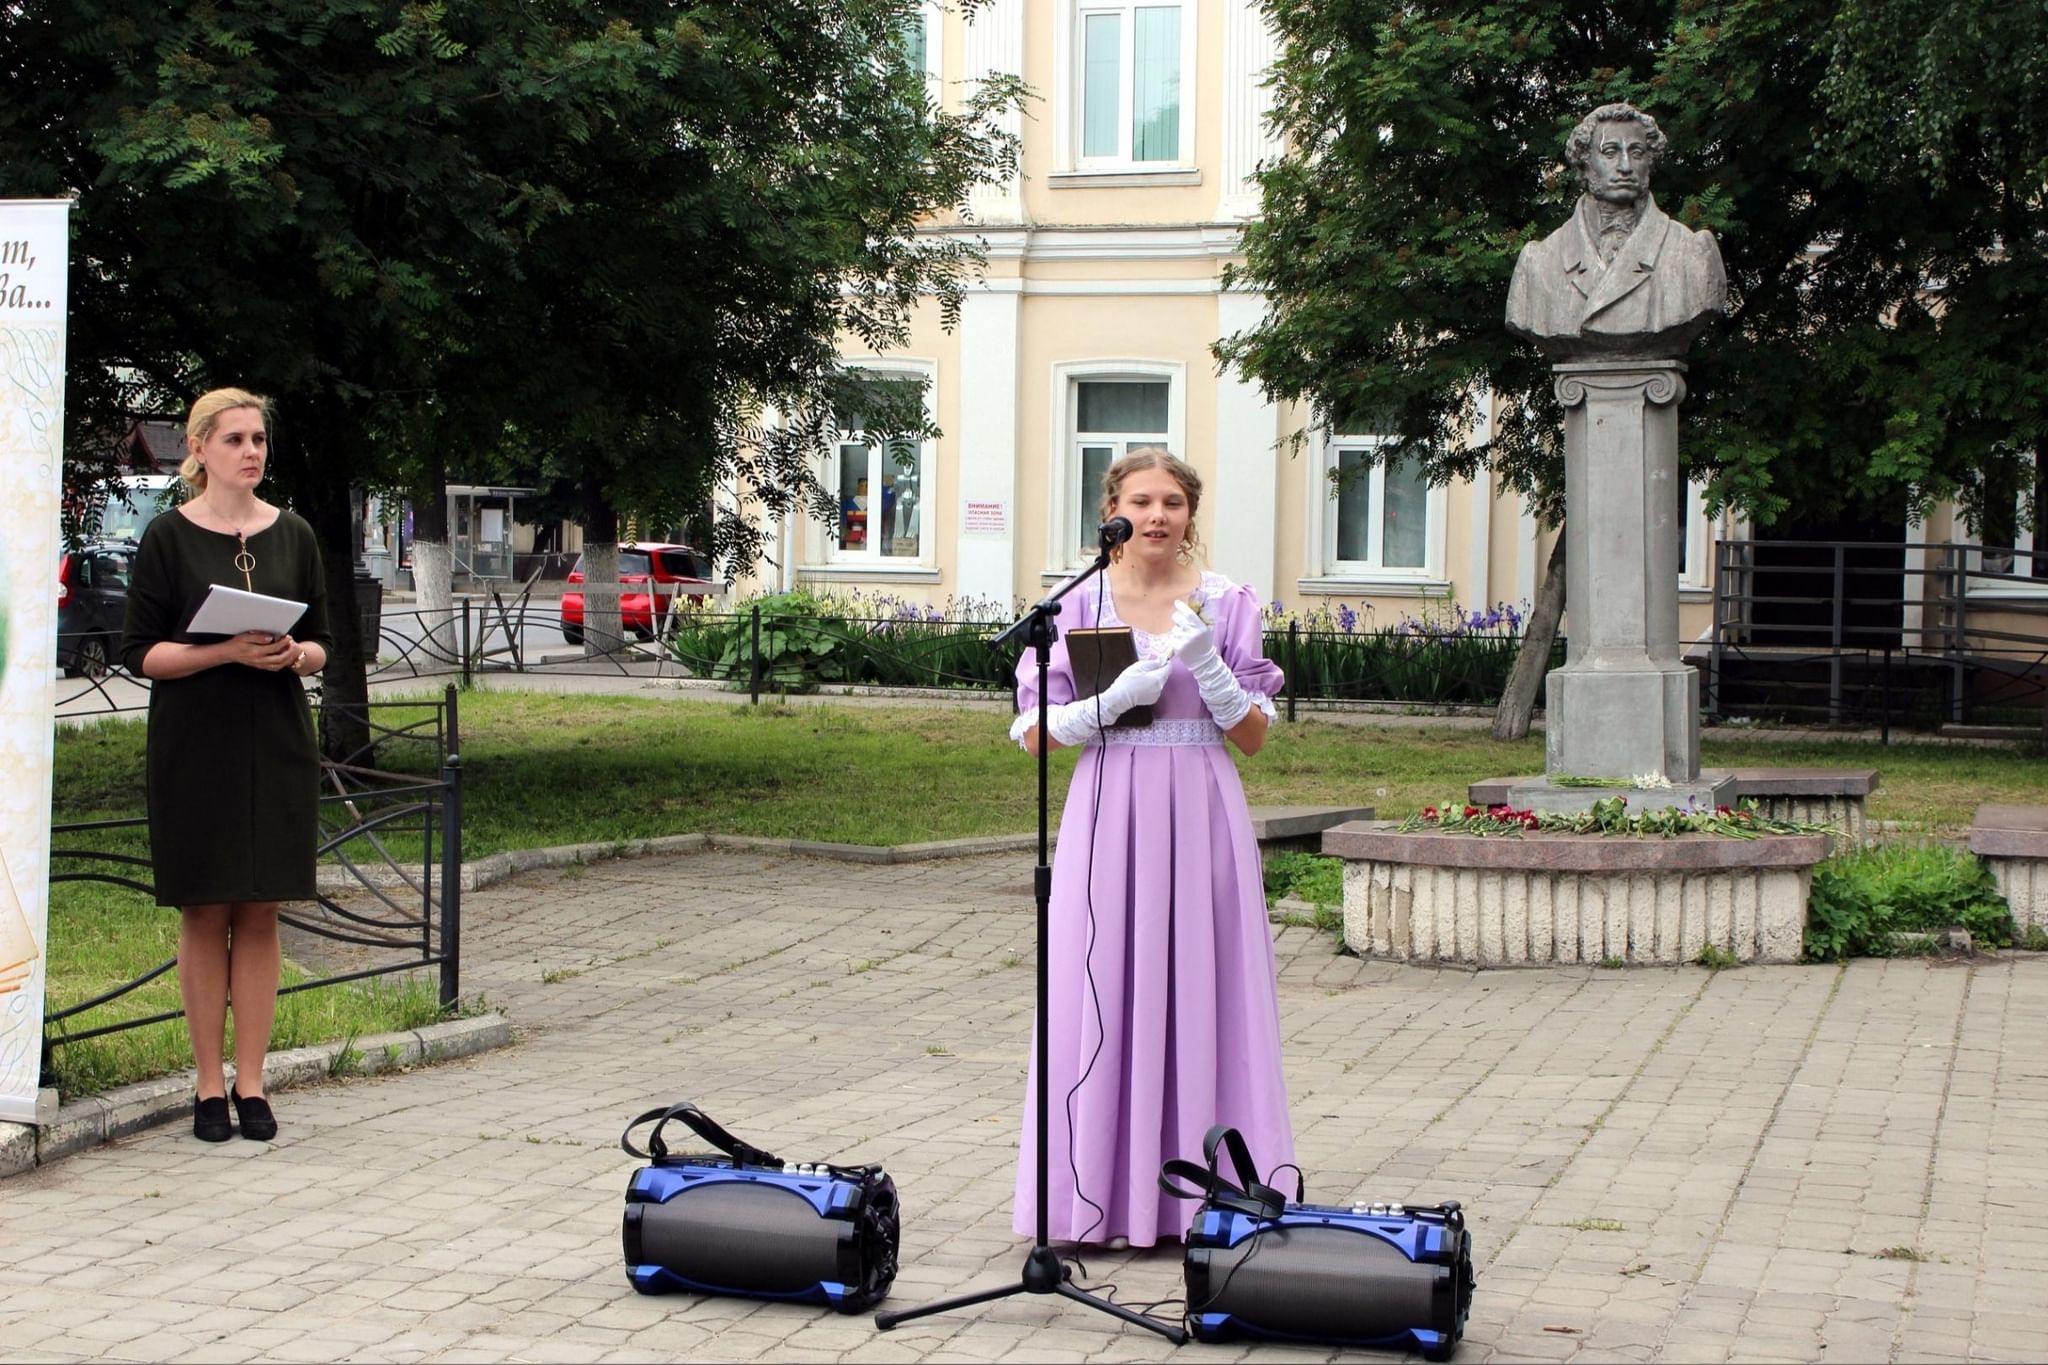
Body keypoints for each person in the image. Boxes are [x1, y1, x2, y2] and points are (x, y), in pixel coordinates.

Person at [1009, 448, 1294, 1248]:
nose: (1159, 515)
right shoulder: (1077, 604)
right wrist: (1110, 702)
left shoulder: (1227, 602)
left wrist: (1209, 665)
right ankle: (1095, 1190)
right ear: (1114, 511)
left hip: (1200, 805)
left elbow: (1255, 737)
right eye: (1143, 500)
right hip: (1109, 808)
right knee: (1099, 983)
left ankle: (1206, 1194)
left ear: (1190, 514)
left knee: (1204, 983)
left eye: (1173, 501)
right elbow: (1033, 735)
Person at [120, 388, 333, 1144]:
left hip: (275, 739)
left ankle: (253, 1083)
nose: (252, 451)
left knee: (262, 906)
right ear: (200, 449)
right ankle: (207, 1085)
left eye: (259, 439)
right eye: (236, 438)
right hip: (195, 742)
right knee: (206, 907)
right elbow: (142, 651)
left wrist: (288, 652)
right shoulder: (167, 537)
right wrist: (224, 651)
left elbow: (321, 644)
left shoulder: (296, 533)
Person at [1506, 101, 1727, 359]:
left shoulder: (1691, 253)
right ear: (1585, 164)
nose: (1625, 166)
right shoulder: (1540, 263)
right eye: (1610, 152)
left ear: (1649, 161)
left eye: (1636, 152)